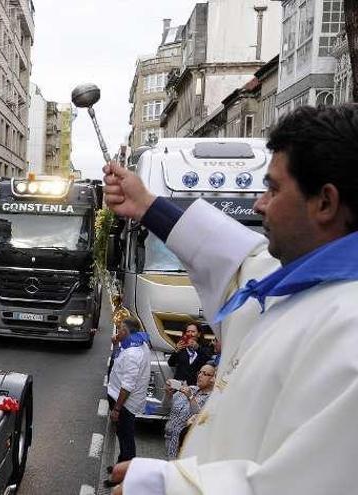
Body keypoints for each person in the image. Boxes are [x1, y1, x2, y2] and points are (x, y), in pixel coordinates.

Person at [104, 104, 358, 494]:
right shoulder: (307, 281)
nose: (258, 204)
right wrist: (147, 207)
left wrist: (164, 486)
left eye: (273, 189)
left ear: (325, 203)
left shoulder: (348, 335)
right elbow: (235, 256)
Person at [107, 317, 152, 463]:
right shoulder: (138, 345)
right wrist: (116, 345)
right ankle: (121, 464)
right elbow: (119, 362)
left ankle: (124, 475)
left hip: (126, 405)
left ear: (125, 331)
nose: (118, 331)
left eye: (119, 328)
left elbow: (127, 385)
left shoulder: (133, 353)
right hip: (125, 402)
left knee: (126, 439)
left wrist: (117, 409)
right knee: (123, 435)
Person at [164, 364, 215, 459]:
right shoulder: (190, 388)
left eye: (205, 374)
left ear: (213, 379)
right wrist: (168, 394)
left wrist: (190, 397)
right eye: (199, 372)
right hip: (169, 439)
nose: (200, 375)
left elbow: (199, 416)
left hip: (184, 445)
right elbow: (166, 406)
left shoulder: (212, 398)